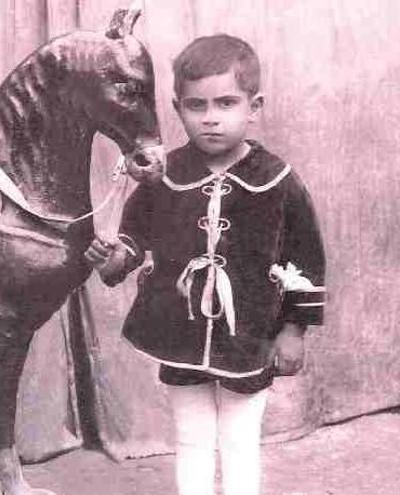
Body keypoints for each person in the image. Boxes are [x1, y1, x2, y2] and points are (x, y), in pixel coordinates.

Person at [85, 34, 326, 495]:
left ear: (254, 106)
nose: (211, 117)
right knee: (192, 439)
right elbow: (134, 239)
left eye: (226, 103)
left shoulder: (277, 181)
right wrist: (113, 256)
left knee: (238, 440)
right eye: (196, 106)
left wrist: (294, 330)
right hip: (180, 329)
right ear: (177, 108)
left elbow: (307, 259)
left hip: (250, 332)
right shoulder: (163, 176)